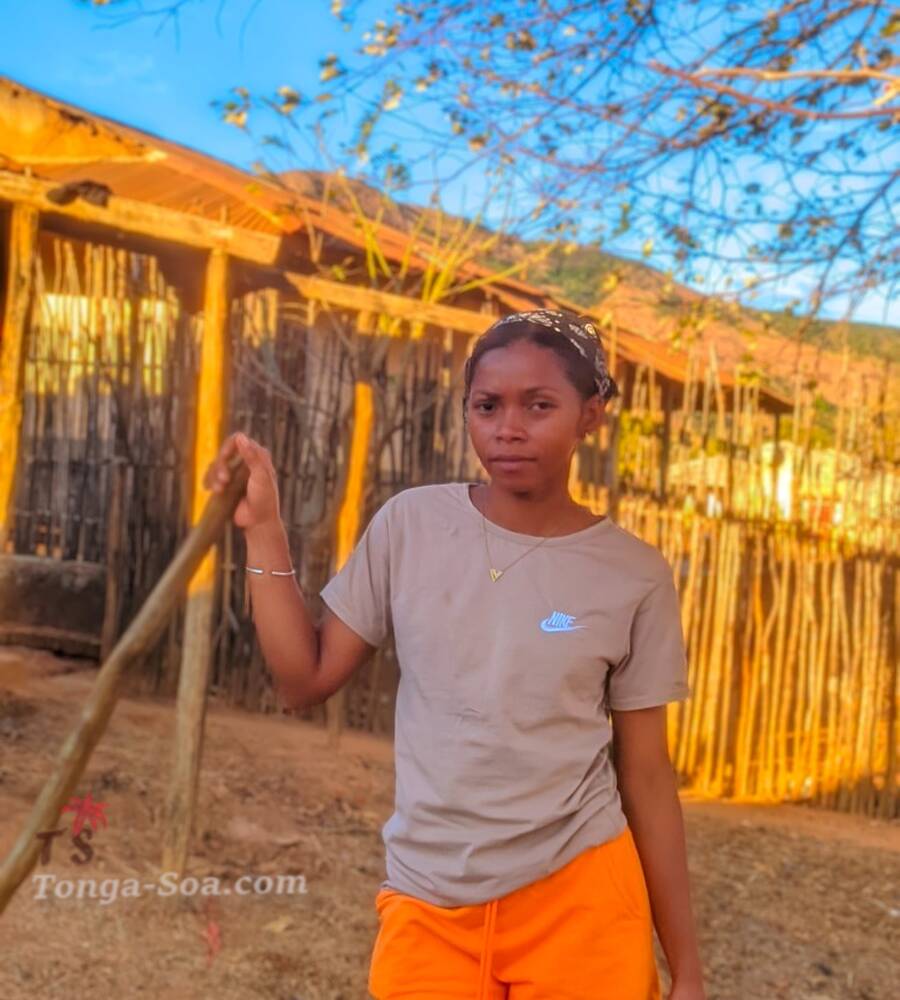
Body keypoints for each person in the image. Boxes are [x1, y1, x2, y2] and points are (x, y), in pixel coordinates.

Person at [204, 309, 707, 1000]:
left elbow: (646, 774)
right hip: (429, 897)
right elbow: (303, 681)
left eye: (539, 405)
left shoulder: (633, 575)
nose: (508, 428)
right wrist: (263, 527)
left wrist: (686, 969)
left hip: (581, 896)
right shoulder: (412, 525)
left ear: (590, 415)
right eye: (487, 406)